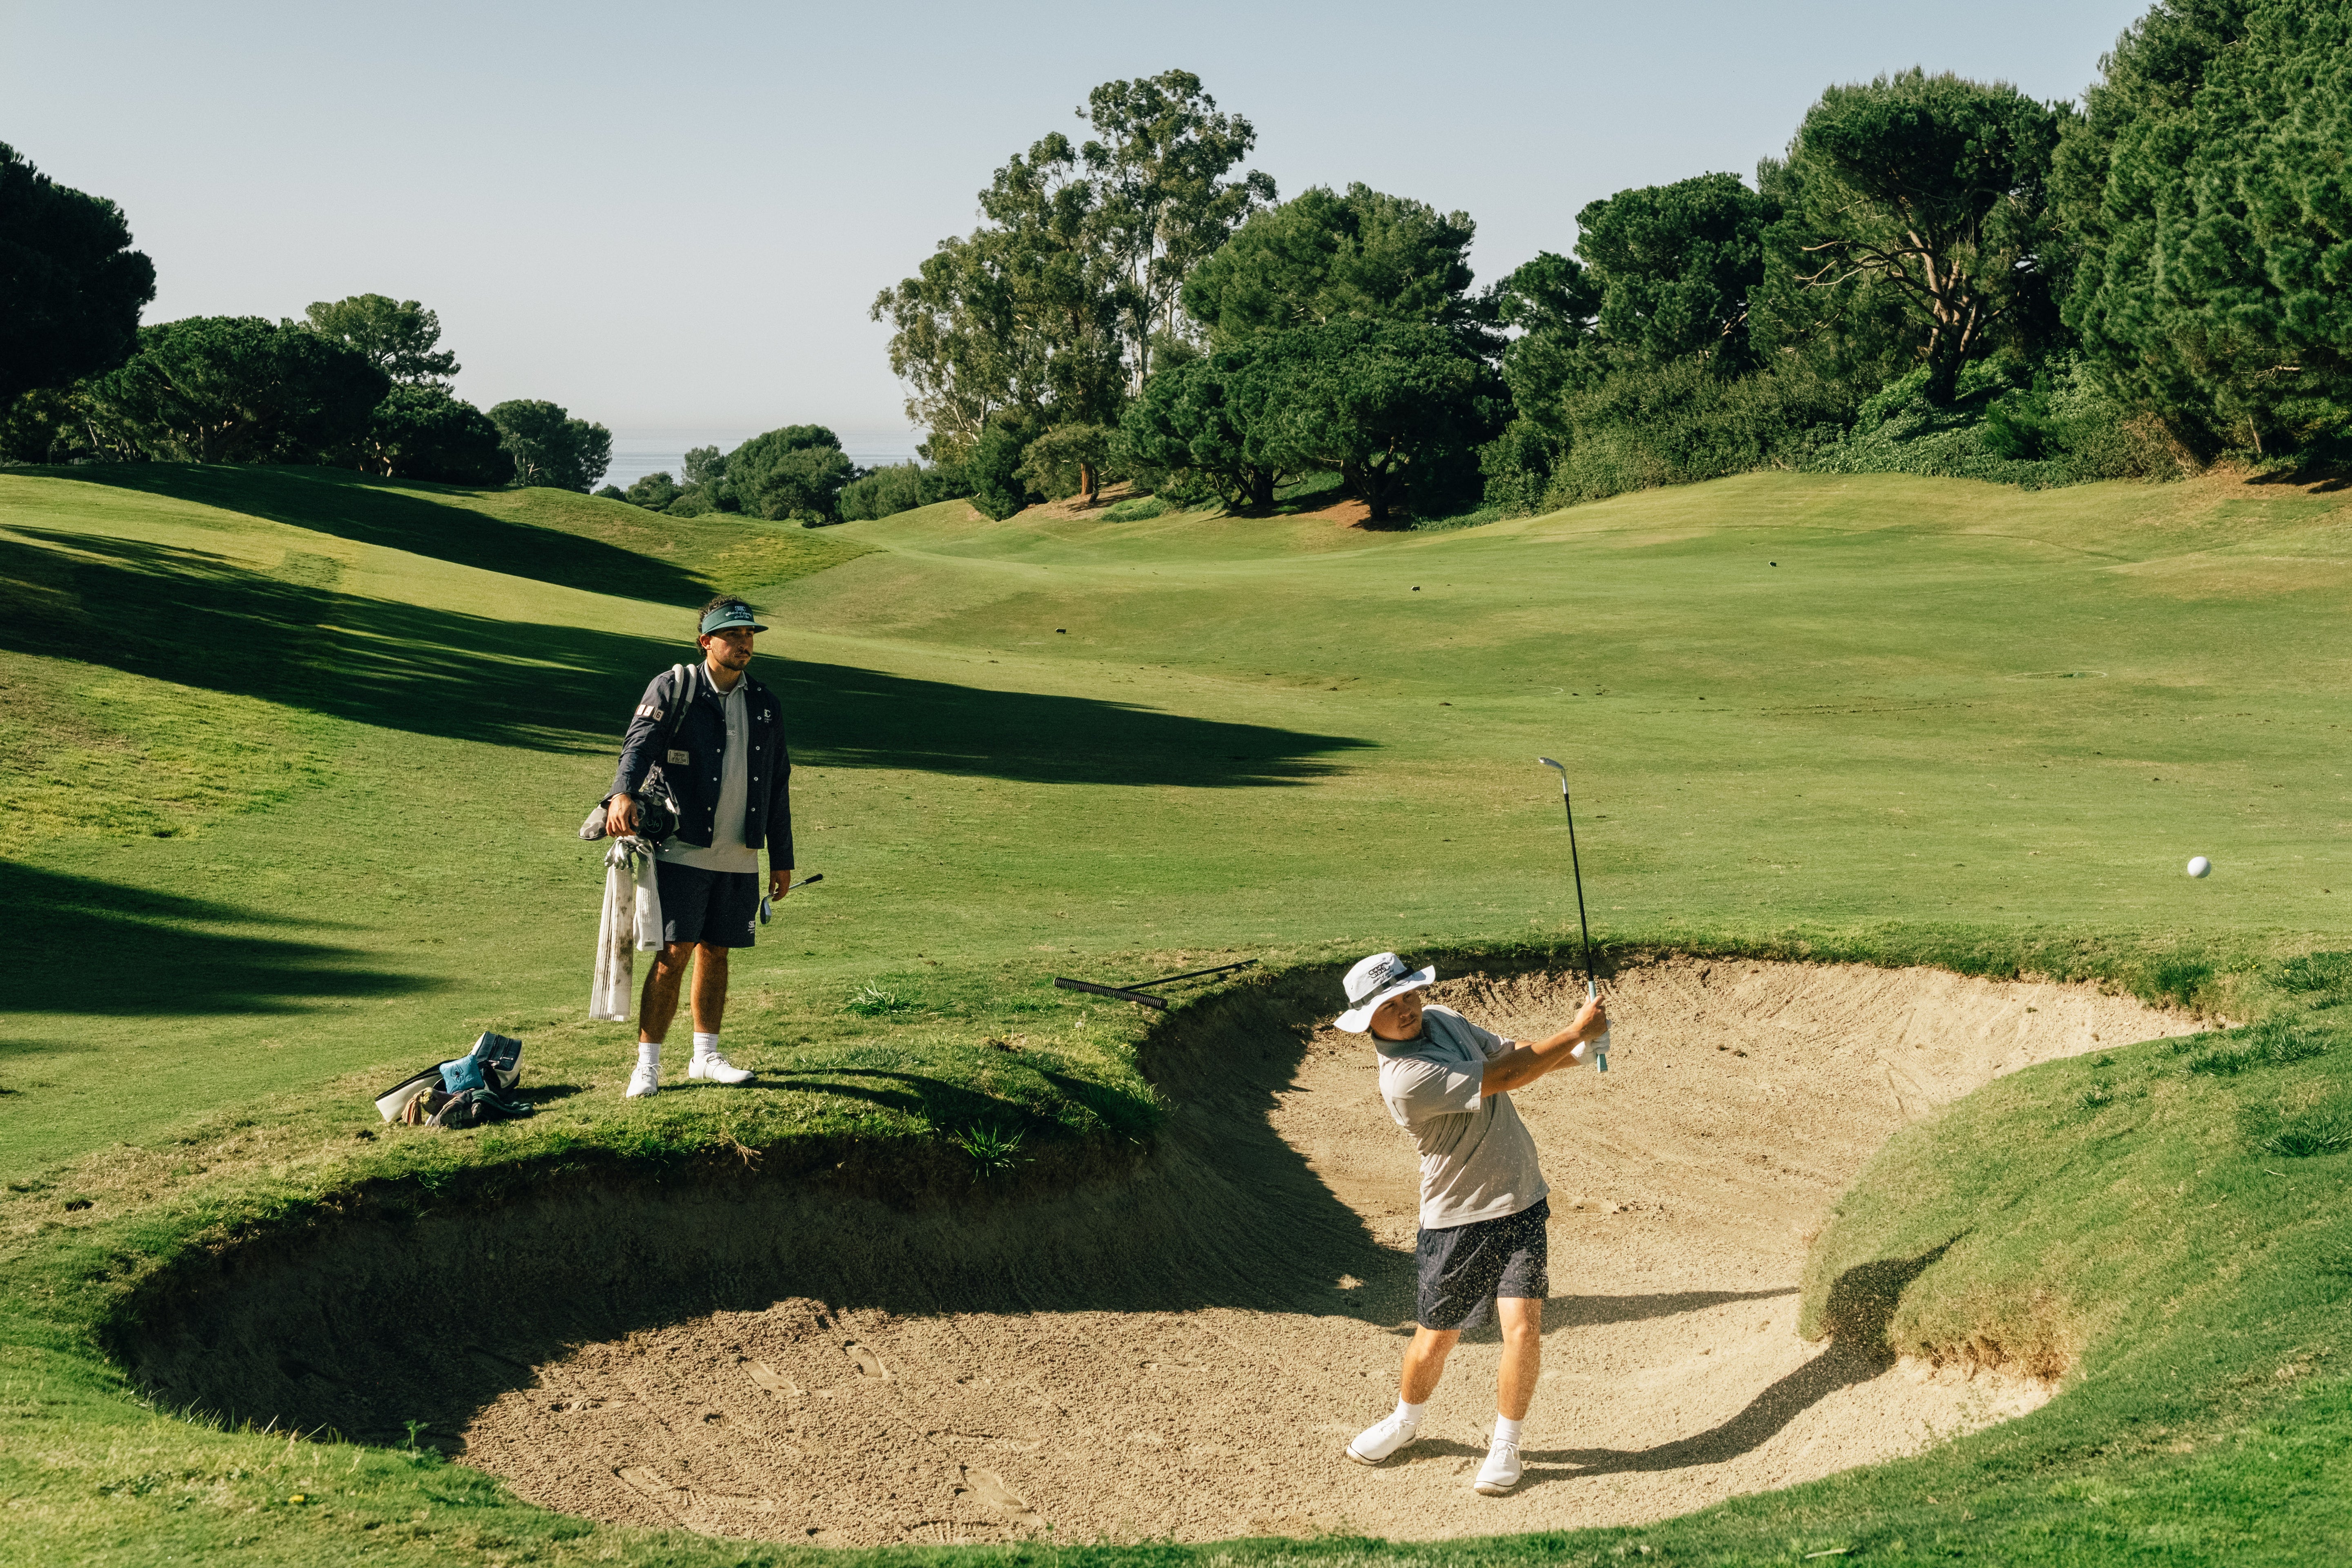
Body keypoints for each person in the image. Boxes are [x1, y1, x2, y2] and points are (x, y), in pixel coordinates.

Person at [1336, 951, 1608, 1495]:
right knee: (1436, 1339)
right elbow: (1503, 1077)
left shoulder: (1444, 1019)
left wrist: (1580, 1052)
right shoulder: (1405, 1079)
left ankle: (1506, 1444)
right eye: (1390, 1006)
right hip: (1457, 1219)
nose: (1407, 1009)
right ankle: (1405, 1421)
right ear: (1368, 1021)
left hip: (1521, 1199)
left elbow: (1512, 1055)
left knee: (1523, 1329)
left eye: (1409, 994)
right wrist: (1575, 1032)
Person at [606, 596, 795, 1098]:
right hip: (682, 848)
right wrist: (622, 794)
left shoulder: (766, 703)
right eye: (733, 635)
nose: (744, 643)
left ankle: (705, 1057)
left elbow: (778, 783)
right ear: (705, 642)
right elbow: (638, 745)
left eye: (749, 635)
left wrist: (782, 859)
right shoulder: (674, 688)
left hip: (740, 855)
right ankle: (647, 1067)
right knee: (674, 953)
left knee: (718, 951)